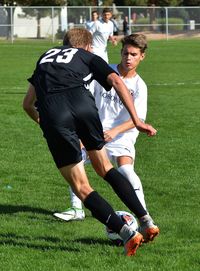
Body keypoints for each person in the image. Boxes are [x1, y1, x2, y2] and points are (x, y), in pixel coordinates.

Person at [23, 28, 159, 256]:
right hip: (84, 107)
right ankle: (146, 221)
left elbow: (27, 104)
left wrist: (51, 127)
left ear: (64, 43)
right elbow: (116, 80)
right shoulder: (87, 56)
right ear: (87, 47)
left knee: (82, 187)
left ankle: (127, 233)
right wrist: (137, 121)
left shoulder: (45, 56)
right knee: (105, 168)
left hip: (55, 114)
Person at [54, 34, 150, 224]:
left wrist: (114, 132)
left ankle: (144, 215)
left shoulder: (140, 86)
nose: (128, 58)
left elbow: (138, 119)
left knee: (126, 171)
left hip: (122, 135)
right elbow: (86, 99)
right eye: (125, 53)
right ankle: (76, 208)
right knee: (75, 159)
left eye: (133, 54)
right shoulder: (106, 73)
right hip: (95, 131)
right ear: (120, 53)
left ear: (142, 57)